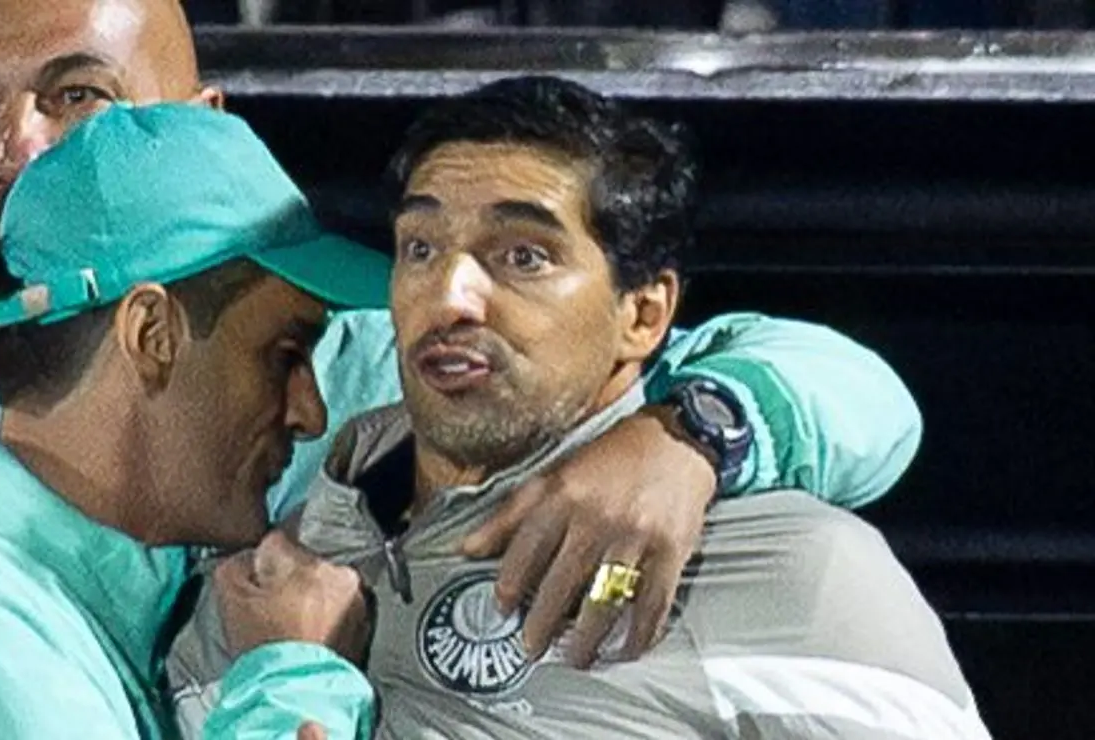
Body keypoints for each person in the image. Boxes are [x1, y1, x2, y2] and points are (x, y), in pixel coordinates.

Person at [0, 0, 921, 668]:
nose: (21, 148)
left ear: (204, 120)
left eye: (79, 97)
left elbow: (862, 395)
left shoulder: (371, 355)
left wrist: (689, 437)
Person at [167, 76, 990, 740]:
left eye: (523, 256)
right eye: (420, 247)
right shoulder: (259, 593)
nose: (449, 295)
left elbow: (863, 395)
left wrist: (684, 437)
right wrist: (288, 677)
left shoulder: (789, 575)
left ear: (643, 314)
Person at [0, 102, 392, 736]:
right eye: (284, 355)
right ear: (150, 335)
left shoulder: (45, 595)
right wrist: (296, 674)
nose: (310, 414)